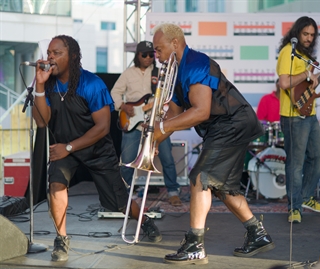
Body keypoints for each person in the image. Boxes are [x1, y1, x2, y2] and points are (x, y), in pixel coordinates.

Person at [152, 23, 275, 265]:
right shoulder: (175, 72)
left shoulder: (196, 62)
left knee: (201, 177)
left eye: (159, 49)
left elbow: (200, 111)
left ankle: (195, 246)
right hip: (221, 127)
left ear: (175, 43)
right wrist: (154, 140)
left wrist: (163, 129)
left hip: (232, 123)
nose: (156, 55)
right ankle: (257, 234)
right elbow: (174, 116)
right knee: (221, 186)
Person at [32, 35, 161, 262]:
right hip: (64, 149)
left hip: (96, 149)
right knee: (56, 185)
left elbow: (103, 128)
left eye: (57, 53)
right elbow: (42, 122)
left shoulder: (91, 83)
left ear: (72, 56)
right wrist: (40, 87)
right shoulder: (49, 83)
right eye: (49, 53)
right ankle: (61, 239)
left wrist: (70, 147)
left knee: (118, 203)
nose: (50, 57)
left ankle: (144, 220)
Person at [276, 16, 320, 223]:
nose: (309, 38)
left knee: (318, 157)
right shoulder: (289, 51)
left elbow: (309, 86)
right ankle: (294, 208)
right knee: (295, 164)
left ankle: (305, 197)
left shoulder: (306, 56)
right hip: (292, 116)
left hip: (308, 113)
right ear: (297, 32)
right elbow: (284, 82)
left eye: (312, 35)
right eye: (305, 34)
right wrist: (305, 74)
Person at [111, 41, 182, 207]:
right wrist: (123, 106)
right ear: (138, 55)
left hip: (155, 121)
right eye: (145, 55)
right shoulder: (128, 73)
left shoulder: (159, 73)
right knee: (127, 159)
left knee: (167, 157)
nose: (149, 58)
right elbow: (115, 92)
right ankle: (125, 194)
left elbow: (166, 96)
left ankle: (173, 191)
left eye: (152, 54)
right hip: (132, 122)